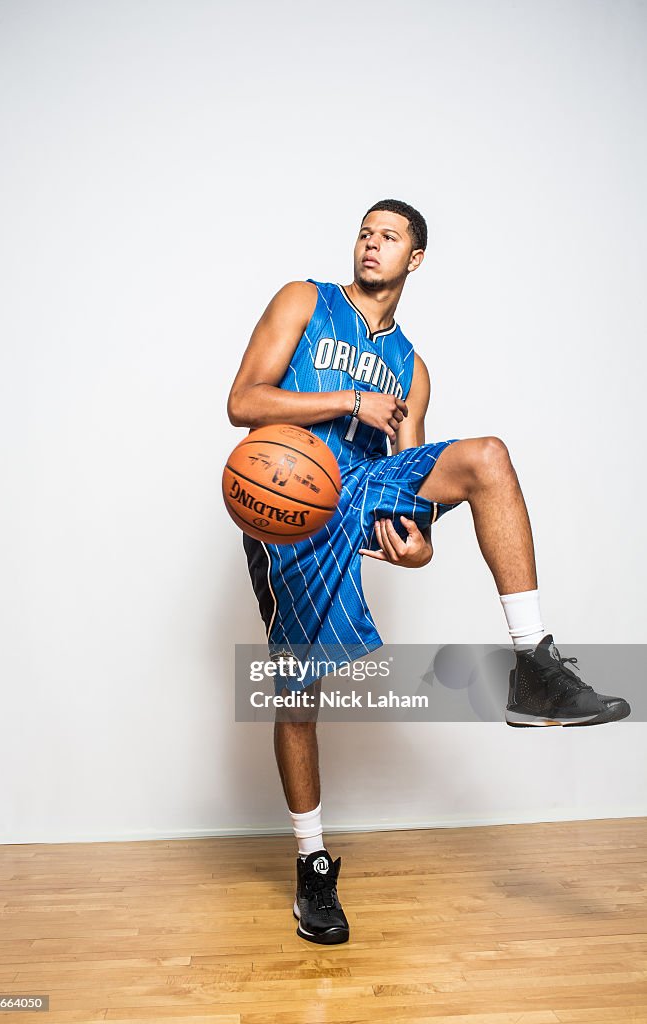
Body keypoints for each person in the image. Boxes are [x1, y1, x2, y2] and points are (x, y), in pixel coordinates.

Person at [226, 199, 631, 945]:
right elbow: (242, 402)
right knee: (297, 687)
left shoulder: (411, 368)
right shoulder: (304, 301)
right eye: (364, 232)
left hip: (359, 492)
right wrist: (349, 398)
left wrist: (418, 550)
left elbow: (406, 497)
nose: (370, 245)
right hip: (294, 499)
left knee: (486, 456)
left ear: (414, 259)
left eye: (388, 238)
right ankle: (312, 866)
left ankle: (533, 661)